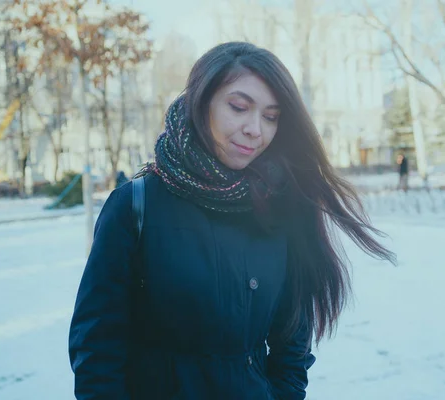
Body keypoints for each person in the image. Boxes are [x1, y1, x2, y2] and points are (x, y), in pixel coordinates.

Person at [69, 42, 394, 400]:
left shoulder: (280, 206)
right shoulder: (135, 204)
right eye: (239, 107)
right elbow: (96, 348)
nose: (256, 129)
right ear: (202, 101)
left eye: (271, 116)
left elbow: (292, 345)